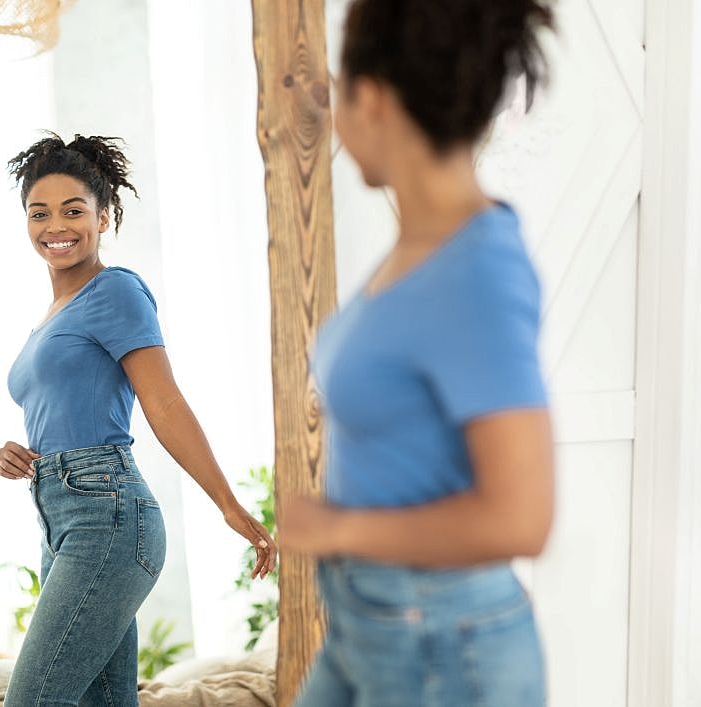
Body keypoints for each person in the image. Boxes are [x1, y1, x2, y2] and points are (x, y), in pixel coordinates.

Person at [278, 1, 556, 705]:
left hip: (442, 640)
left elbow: (521, 517)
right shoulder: (420, 247)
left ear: (369, 99)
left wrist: (337, 525)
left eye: (342, 94)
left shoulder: (474, 274)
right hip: (372, 621)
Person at [0, 133, 277, 707]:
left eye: (74, 210)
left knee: (33, 699)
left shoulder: (115, 291)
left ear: (103, 217)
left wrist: (226, 502)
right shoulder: (50, 318)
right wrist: (18, 454)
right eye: (39, 213)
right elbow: (64, 408)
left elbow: (164, 403)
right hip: (59, 515)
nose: (57, 225)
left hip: (108, 516)